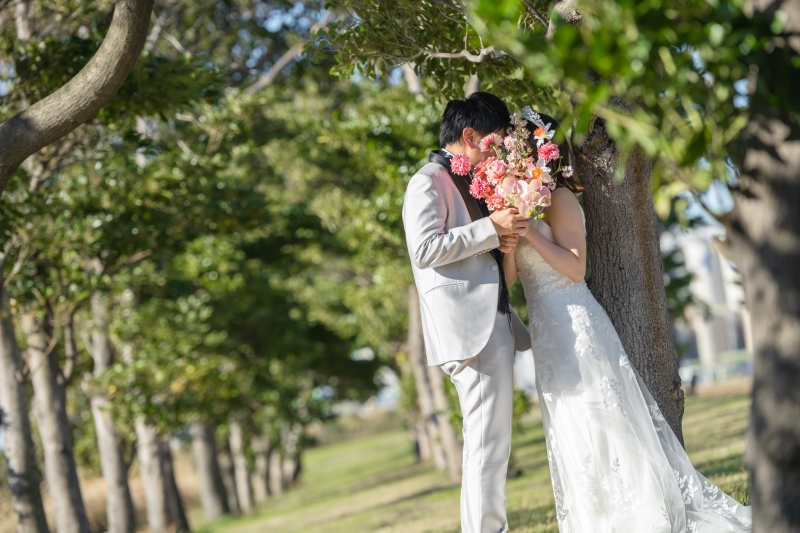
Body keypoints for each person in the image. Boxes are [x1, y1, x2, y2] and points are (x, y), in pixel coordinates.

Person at [502, 108, 752, 532]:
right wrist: (509, 234)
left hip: (575, 323)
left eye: (517, 148)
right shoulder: (521, 205)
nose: (512, 157)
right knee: (570, 425)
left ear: (538, 152)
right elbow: (509, 280)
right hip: (546, 333)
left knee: (602, 418)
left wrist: (528, 232)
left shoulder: (559, 200)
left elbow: (575, 268)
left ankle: (638, 516)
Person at [402, 91, 532, 533]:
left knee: (491, 446)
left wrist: (502, 240)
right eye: (496, 141)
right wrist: (490, 228)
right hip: (469, 330)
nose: (499, 152)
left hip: (492, 324)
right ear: (470, 135)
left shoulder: (471, 180)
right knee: (486, 449)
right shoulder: (427, 180)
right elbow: (424, 250)